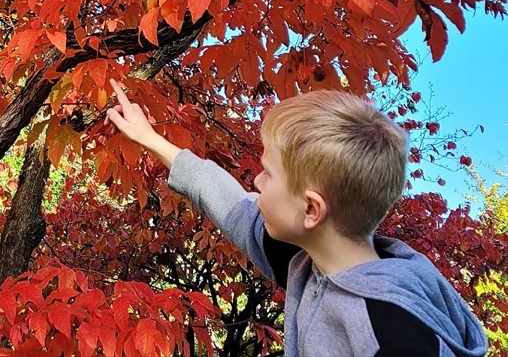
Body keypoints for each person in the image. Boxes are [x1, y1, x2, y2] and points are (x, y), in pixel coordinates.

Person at [105, 79, 489, 357]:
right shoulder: (304, 259)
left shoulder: (394, 330)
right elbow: (225, 200)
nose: (255, 181)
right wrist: (152, 139)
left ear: (310, 210)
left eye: (267, 173)